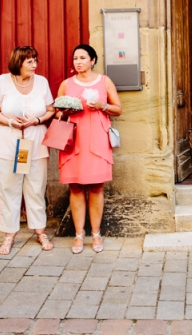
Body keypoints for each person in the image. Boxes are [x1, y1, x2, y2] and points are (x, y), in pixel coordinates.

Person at [0, 46, 55, 254]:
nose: (34, 65)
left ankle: (40, 232)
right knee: (8, 188)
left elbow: (51, 110)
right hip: (8, 142)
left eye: (35, 60)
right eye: (30, 61)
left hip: (35, 141)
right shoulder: (3, 81)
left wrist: (37, 120)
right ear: (19, 63)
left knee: (36, 188)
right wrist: (9, 122)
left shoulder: (42, 82)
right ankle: (9, 234)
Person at [56, 44, 121, 254]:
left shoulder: (104, 81)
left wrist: (102, 106)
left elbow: (118, 109)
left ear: (92, 60)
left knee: (96, 187)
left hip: (97, 139)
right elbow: (58, 115)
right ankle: (78, 235)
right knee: (75, 187)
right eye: (75, 58)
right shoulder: (66, 84)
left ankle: (95, 233)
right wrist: (64, 112)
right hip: (73, 140)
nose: (78, 62)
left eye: (83, 58)